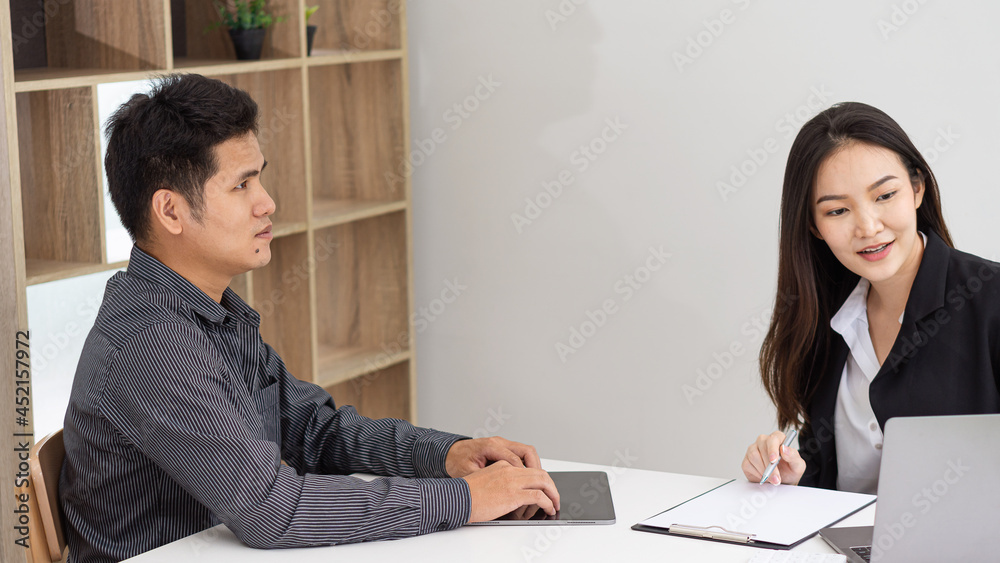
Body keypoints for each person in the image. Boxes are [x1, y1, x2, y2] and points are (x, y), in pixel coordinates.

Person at [60, 73, 559, 562]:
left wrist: (448, 457)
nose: (267, 202)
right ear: (171, 212)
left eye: (260, 177)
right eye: (241, 185)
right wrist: (467, 501)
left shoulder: (208, 313)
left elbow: (314, 432)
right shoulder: (151, 343)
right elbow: (273, 512)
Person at [740, 102, 1000, 493]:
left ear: (917, 188)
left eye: (884, 195)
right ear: (814, 226)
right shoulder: (822, 318)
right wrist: (793, 476)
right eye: (839, 210)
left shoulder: (990, 301)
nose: (868, 227)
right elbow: (836, 475)